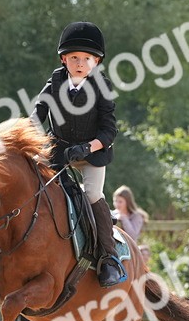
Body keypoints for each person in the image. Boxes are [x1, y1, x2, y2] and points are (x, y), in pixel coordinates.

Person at [30, 20, 127, 288]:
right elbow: (38, 113)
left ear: (96, 62)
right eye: (74, 58)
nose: (80, 63)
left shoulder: (102, 86)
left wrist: (86, 147)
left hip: (93, 152)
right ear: (64, 59)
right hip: (59, 149)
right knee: (42, 191)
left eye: (87, 58)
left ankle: (108, 258)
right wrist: (31, 139)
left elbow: (109, 131)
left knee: (92, 194)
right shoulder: (57, 79)